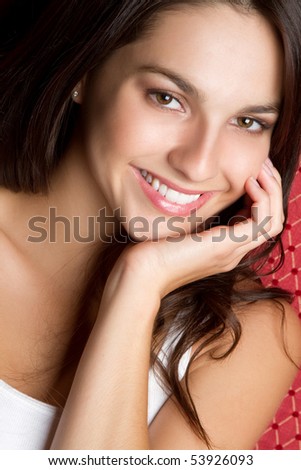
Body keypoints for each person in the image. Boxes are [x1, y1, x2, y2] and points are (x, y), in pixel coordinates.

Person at [0, 0, 301, 450]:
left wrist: (138, 286)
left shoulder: (248, 336)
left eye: (247, 122)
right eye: (168, 99)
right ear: (84, 71)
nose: (198, 164)